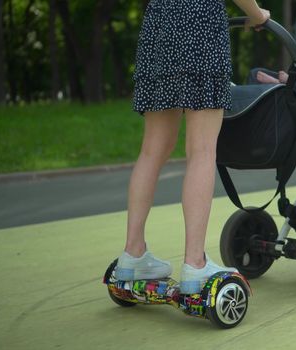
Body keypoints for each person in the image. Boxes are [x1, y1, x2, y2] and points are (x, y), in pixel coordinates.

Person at [115, 0, 270, 295]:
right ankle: (195, 263)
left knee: (151, 150)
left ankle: (133, 253)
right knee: (201, 151)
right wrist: (257, 14)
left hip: (159, 25)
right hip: (199, 24)